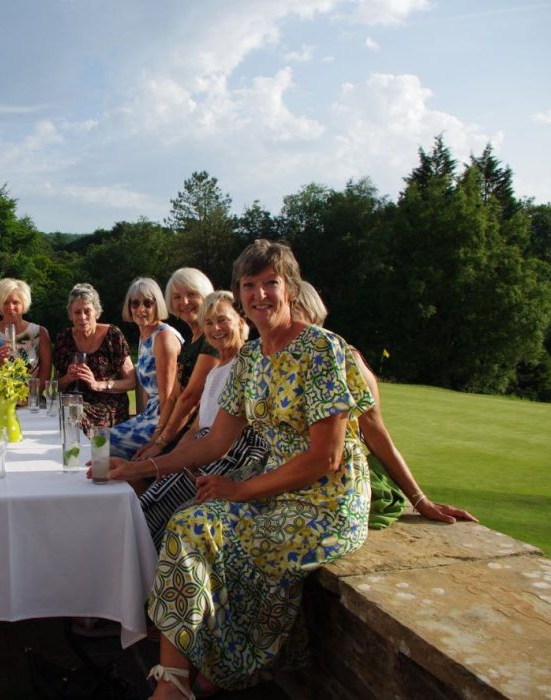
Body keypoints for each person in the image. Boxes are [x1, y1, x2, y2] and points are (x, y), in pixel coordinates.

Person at [109, 239, 374, 697]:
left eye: (271, 283)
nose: (259, 294)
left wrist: (239, 491)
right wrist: (140, 468)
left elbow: (325, 457)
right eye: (249, 285)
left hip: (327, 502)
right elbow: (215, 441)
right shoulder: (250, 359)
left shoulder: (321, 349)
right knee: (186, 522)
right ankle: (175, 681)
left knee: (207, 533)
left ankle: (201, 675)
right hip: (273, 490)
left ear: (290, 289)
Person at [295, 281, 477, 526]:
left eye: (292, 308)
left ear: (311, 312)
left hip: (328, 487)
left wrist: (421, 500)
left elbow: (375, 433)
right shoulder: (277, 359)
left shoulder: (344, 359)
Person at [133, 291, 269, 549]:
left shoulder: (249, 363)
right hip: (199, 452)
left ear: (241, 322)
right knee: (147, 503)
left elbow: (224, 439)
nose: (215, 329)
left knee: (157, 511)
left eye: (222, 320)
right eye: (209, 323)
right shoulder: (216, 369)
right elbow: (196, 425)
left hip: (226, 459)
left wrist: (168, 461)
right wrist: (173, 461)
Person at [136, 268, 220, 458]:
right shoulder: (189, 341)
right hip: (179, 431)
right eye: (177, 297)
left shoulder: (212, 339)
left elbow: (190, 398)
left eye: (191, 294)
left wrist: (161, 445)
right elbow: (174, 397)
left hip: (203, 434)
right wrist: (155, 439)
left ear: (205, 294)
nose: (184, 302)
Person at [108, 278, 182, 459]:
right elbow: (147, 391)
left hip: (164, 419)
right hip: (149, 415)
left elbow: (169, 397)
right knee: (98, 440)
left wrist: (158, 439)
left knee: (103, 445)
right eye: (135, 303)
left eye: (148, 303)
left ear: (157, 305)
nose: (141, 309)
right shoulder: (145, 335)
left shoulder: (163, 337)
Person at [53, 283, 136, 428]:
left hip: (106, 403)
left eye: (87, 311)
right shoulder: (63, 338)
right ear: (70, 315)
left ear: (96, 312)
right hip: (71, 402)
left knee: (74, 416)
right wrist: (68, 378)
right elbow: (55, 386)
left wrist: (97, 385)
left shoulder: (112, 335)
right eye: (77, 312)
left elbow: (131, 382)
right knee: (54, 414)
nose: (82, 317)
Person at [0, 278, 53, 383]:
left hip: (33, 392)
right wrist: (0, 363)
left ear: (24, 303)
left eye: (15, 302)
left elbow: (46, 373)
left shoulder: (39, 333)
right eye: (5, 303)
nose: (10, 307)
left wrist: (34, 391)